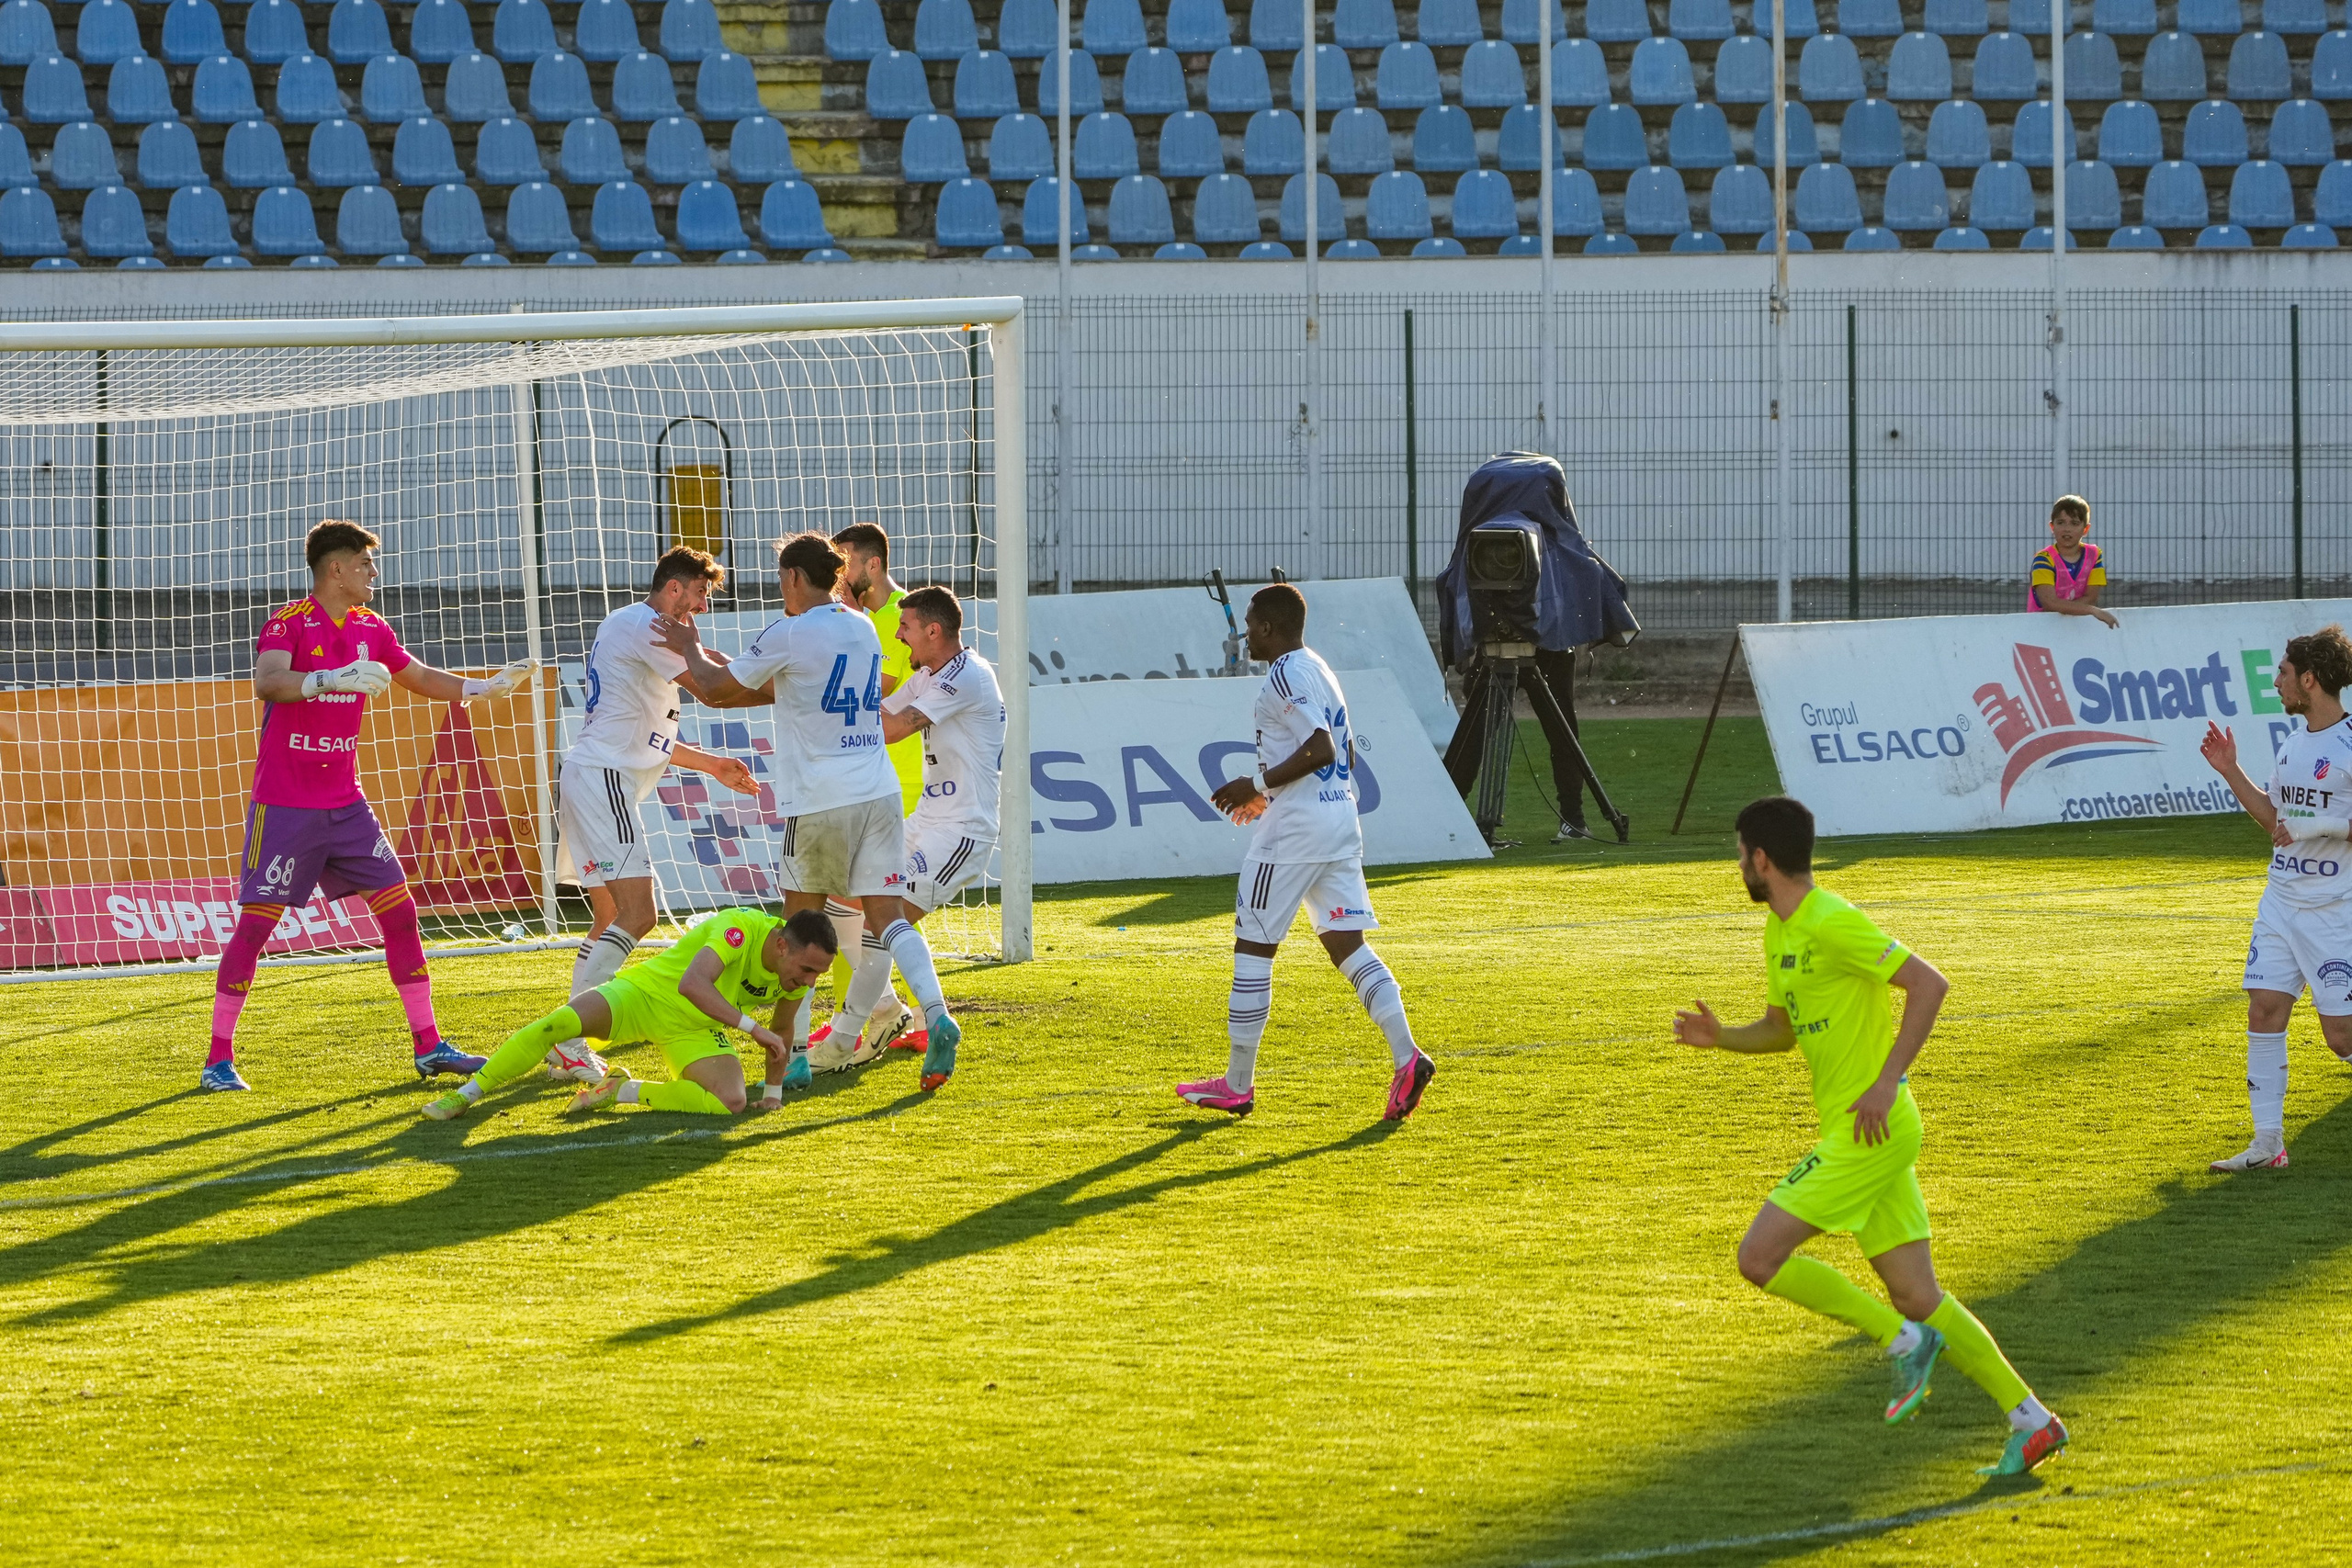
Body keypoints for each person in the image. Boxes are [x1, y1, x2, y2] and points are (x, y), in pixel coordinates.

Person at [1672, 796, 2068, 1479]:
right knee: (1919, 1292)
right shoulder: (1780, 929)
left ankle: (1902, 1342)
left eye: (1740, 853)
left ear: (1762, 858)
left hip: (1872, 1128)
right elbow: (1781, 1029)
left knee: (1759, 1256)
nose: (1737, 864)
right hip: (1863, 1131)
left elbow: (1928, 983)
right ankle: (2032, 1419)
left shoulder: (1832, 921)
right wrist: (1722, 1038)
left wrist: (1888, 1079)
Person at [206, 519, 534, 1092]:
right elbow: (269, 682)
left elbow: (416, 674)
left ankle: (429, 1047)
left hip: (346, 804)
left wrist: (481, 689)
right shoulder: (288, 622)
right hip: (285, 805)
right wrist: (328, 678)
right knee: (257, 928)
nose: (373, 573)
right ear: (336, 569)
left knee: (400, 912)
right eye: (365, 563)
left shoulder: (371, 626)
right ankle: (218, 1060)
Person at [654, 532, 967, 1093]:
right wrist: (722, 668)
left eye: (780, 579)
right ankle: (938, 1013)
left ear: (794, 577)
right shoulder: (861, 626)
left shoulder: (790, 632)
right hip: (878, 789)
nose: (781, 589)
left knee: (795, 928)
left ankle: (792, 1056)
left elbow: (715, 688)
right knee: (887, 916)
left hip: (822, 799)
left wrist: (689, 642)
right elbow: (785, 689)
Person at [1176, 584, 1437, 1122]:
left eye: (1250, 624)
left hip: (1293, 833)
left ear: (1269, 628)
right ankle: (1407, 1056)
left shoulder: (1284, 674)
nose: (1246, 633)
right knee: (1349, 946)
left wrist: (1260, 787)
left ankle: (1237, 1084)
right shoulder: (1318, 666)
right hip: (1339, 820)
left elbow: (1320, 748)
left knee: (1253, 948)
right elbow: (1337, 752)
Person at [545, 546, 761, 1085]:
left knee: (609, 915)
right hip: (603, 780)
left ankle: (568, 1041)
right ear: (674, 589)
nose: (702, 608)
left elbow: (653, 731)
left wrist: (710, 764)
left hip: (594, 775)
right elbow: (716, 686)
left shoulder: (637, 626)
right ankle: (570, 1039)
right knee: (639, 914)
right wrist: (798, 682)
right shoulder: (649, 626)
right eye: (699, 595)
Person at [816, 586, 1004, 1083]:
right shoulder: (928, 675)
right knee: (842, 893)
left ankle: (896, 1024)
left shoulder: (969, 676)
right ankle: (886, 1014)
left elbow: (893, 727)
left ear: (934, 630)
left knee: (885, 916)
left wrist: (841, 674)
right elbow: (875, 711)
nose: (900, 636)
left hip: (963, 831)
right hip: (925, 820)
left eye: (906, 628)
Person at [423, 907, 836, 1120]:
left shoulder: (799, 974)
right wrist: (750, 1028)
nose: (811, 980)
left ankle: (620, 1089)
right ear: (782, 946)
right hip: (645, 996)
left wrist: (773, 1097)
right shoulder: (739, 929)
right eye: (807, 969)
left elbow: (781, 1031)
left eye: (818, 973)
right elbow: (692, 984)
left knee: (730, 1102)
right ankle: (465, 1095)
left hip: (696, 1026)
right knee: (559, 1024)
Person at [2197, 625, 2352, 1172]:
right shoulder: (2292, 744)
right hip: (2282, 901)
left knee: (2341, 1038)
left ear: (2310, 679)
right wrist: (2230, 770)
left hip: (2336, 909)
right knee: (2264, 1010)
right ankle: (2268, 1145)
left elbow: (2311, 825)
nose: (2277, 680)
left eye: (2284, 673)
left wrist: (2318, 826)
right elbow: (2278, 823)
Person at [1435, 452, 1639, 843]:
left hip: (1497, 647)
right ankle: (1574, 820)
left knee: (1479, 733)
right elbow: (1599, 586)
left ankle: (1447, 818)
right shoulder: (1565, 548)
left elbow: (1453, 598)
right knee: (1561, 731)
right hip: (1550, 647)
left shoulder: (1476, 545)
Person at [807, 522, 922, 1056]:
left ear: (871, 565)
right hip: (861, 782)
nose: (838, 573)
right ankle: (894, 1014)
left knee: (860, 904)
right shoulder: (849, 619)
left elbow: (877, 693)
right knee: (859, 905)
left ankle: (886, 1014)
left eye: (845, 561)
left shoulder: (901, 617)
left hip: (897, 784)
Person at [2029, 495, 2117, 627]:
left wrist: (2065, 608)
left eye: (2074, 523)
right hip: (2040, 627)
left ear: (2085, 529)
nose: (2067, 529)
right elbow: (2050, 603)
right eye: (2061, 522)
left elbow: (2091, 598)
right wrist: (2092, 611)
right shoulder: (2043, 559)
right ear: (2052, 527)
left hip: (2076, 626)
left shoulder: (2094, 555)